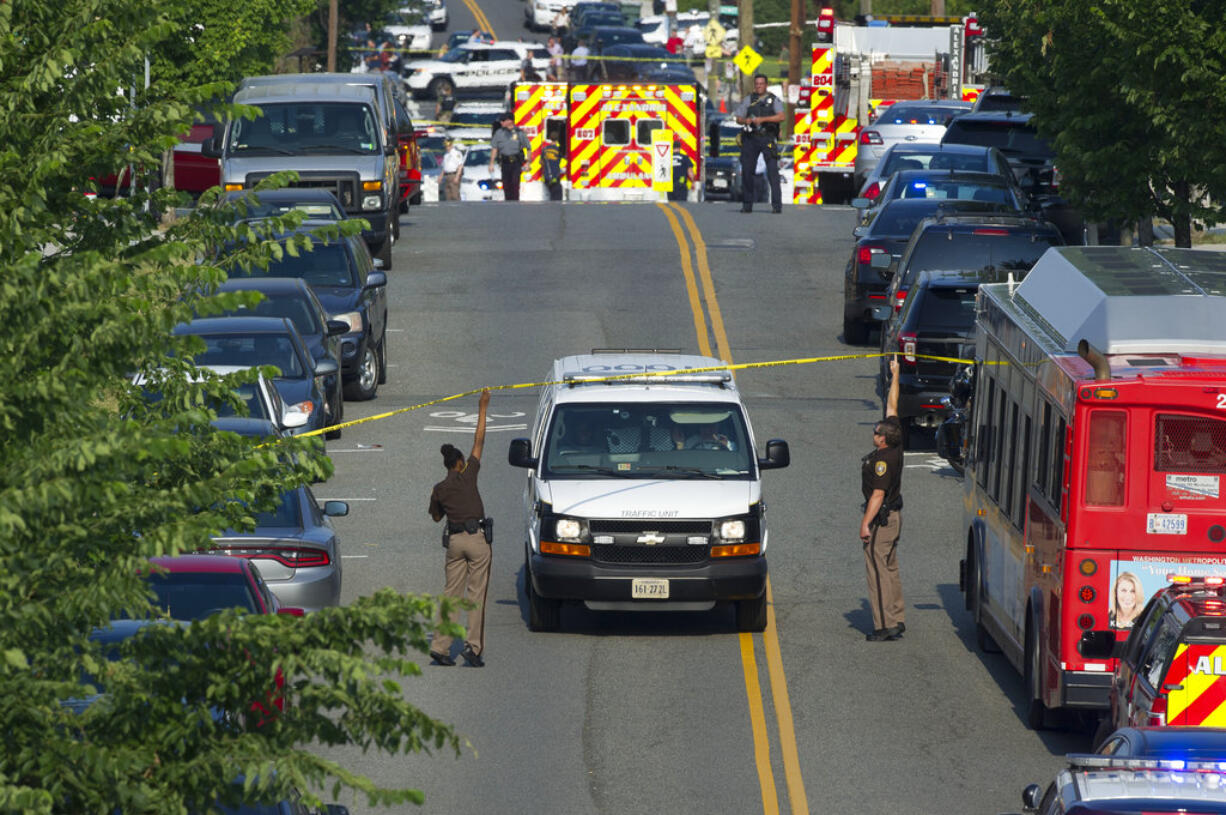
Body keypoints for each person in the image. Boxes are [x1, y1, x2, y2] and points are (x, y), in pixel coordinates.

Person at [429, 389, 492, 667]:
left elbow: (435, 517)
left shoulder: (440, 488)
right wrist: (482, 407)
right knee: (475, 594)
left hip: (454, 542)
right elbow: (479, 440)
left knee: (450, 595)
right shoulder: (469, 475)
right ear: (459, 463)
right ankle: (473, 649)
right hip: (477, 540)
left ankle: (441, 648)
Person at [861, 358, 905, 641]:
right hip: (895, 517)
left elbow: (877, 495)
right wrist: (896, 375)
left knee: (877, 570)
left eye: (876, 432)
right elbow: (892, 405)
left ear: (883, 440)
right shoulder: (896, 439)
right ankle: (897, 616)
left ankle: (884, 625)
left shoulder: (883, 462)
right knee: (890, 566)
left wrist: (866, 524)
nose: (873, 433)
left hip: (882, 518)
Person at [733, 73, 785, 213]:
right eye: (757, 84)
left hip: (767, 138)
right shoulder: (749, 99)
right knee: (747, 171)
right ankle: (747, 204)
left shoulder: (774, 100)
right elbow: (738, 118)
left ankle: (776, 205)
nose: (759, 86)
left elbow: (781, 116)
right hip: (751, 138)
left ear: (766, 85)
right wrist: (746, 121)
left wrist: (763, 120)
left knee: (773, 171)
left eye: (761, 84)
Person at [490, 112, 530, 201]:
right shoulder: (499, 133)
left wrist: (528, 162)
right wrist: (491, 163)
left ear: (510, 121)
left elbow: (528, 147)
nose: (501, 123)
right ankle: (508, 203)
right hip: (505, 162)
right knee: (506, 185)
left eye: (503, 120)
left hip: (516, 163)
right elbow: (494, 148)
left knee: (515, 184)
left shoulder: (519, 133)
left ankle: (515, 203)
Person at [668, 135, 695, 202]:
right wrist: (693, 182)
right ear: (680, 148)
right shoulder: (684, 157)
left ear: (672, 147)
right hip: (681, 185)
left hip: (669, 185)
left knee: (671, 205)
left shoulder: (668, 158)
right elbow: (690, 171)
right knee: (681, 205)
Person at [542, 136, 564, 201]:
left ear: (550, 140)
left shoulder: (545, 149)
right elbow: (562, 161)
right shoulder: (558, 150)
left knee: (551, 191)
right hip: (555, 176)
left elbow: (541, 162)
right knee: (557, 194)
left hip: (546, 176)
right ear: (557, 141)